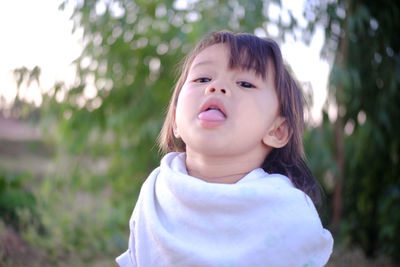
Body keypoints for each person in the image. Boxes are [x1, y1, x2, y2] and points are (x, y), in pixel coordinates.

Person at [116, 31, 333, 267]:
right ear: (176, 119)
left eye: (245, 83)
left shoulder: (290, 214)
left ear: (277, 131)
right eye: (202, 79)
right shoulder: (156, 192)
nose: (216, 87)